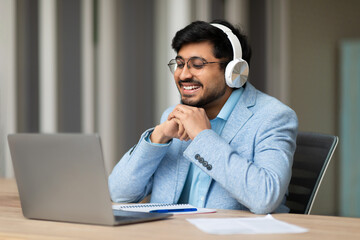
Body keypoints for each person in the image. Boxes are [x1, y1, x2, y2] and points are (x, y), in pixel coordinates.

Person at [108, 19, 298, 214]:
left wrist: (203, 138)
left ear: (234, 72)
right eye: (180, 64)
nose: (183, 75)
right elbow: (119, 193)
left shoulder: (273, 117)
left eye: (197, 65)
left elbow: (265, 198)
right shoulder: (174, 116)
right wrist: (157, 137)